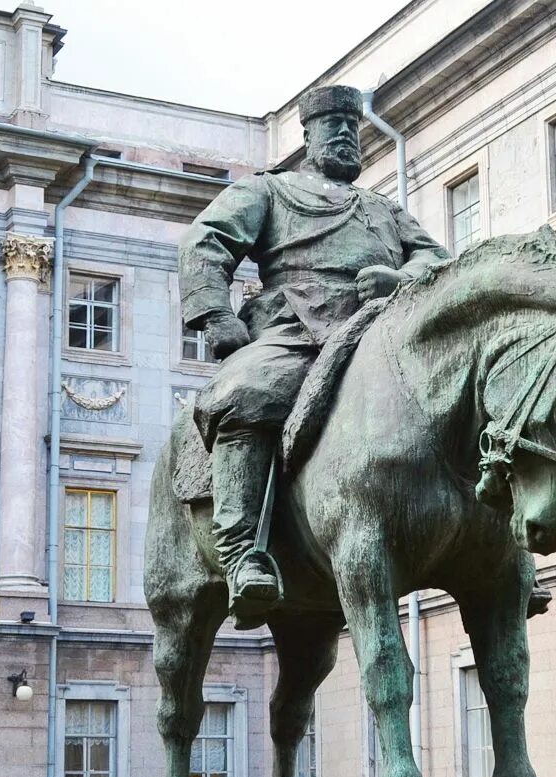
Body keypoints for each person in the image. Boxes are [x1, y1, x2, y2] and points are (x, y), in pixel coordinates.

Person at [178, 84, 449, 628]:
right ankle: (241, 554)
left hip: (382, 324)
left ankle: (501, 549)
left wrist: (400, 277)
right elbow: (205, 242)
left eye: (353, 128)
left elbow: (436, 260)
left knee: (467, 384)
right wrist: (217, 315)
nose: (348, 136)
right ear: (308, 137)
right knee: (248, 392)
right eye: (334, 127)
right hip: (297, 324)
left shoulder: (382, 209)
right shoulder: (270, 192)